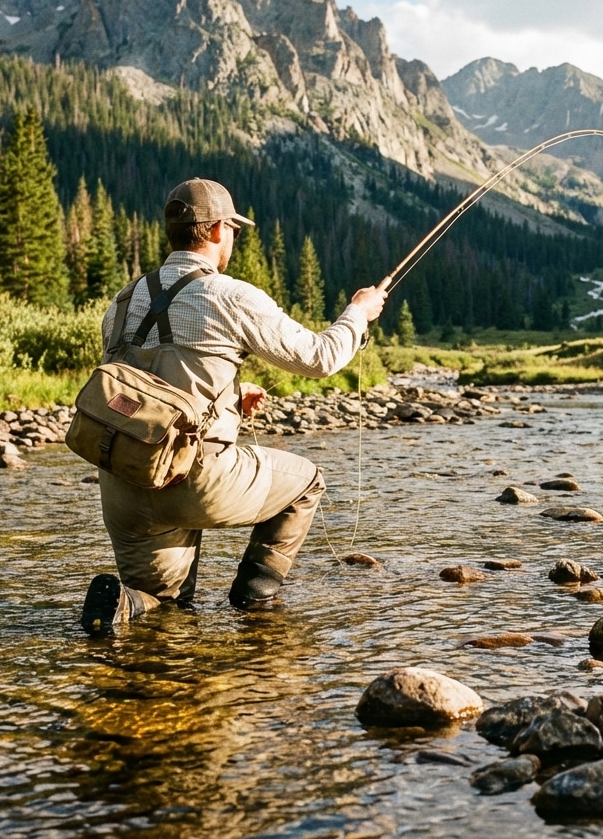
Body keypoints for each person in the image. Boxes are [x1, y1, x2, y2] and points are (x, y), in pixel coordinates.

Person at [80, 178, 387, 636]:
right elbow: (321, 358)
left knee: (164, 605)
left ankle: (125, 606)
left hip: (123, 482)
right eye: (236, 232)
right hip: (195, 479)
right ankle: (256, 604)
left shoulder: (122, 302)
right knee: (307, 482)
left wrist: (230, 399)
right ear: (220, 229)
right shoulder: (230, 295)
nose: (235, 240)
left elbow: (138, 389)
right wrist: (357, 314)